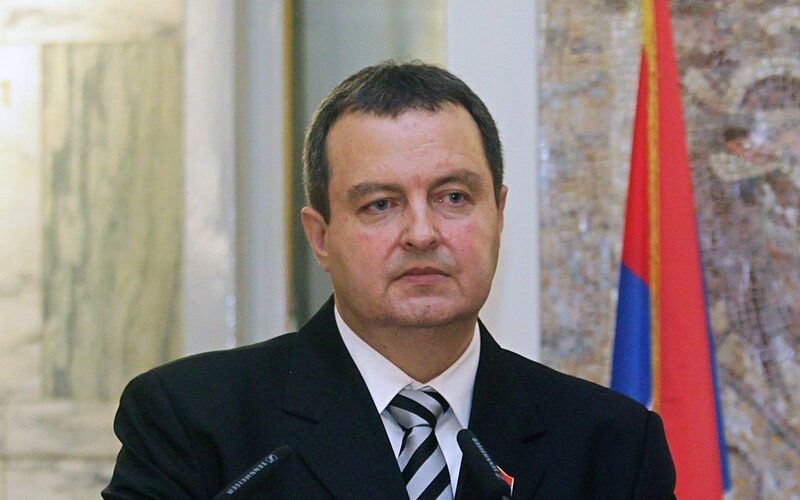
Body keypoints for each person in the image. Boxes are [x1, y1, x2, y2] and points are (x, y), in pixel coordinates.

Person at [103, 61, 675, 499]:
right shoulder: (194, 422)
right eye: (380, 204)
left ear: (499, 214)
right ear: (321, 237)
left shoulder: (611, 444)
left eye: (454, 197)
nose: (422, 233)